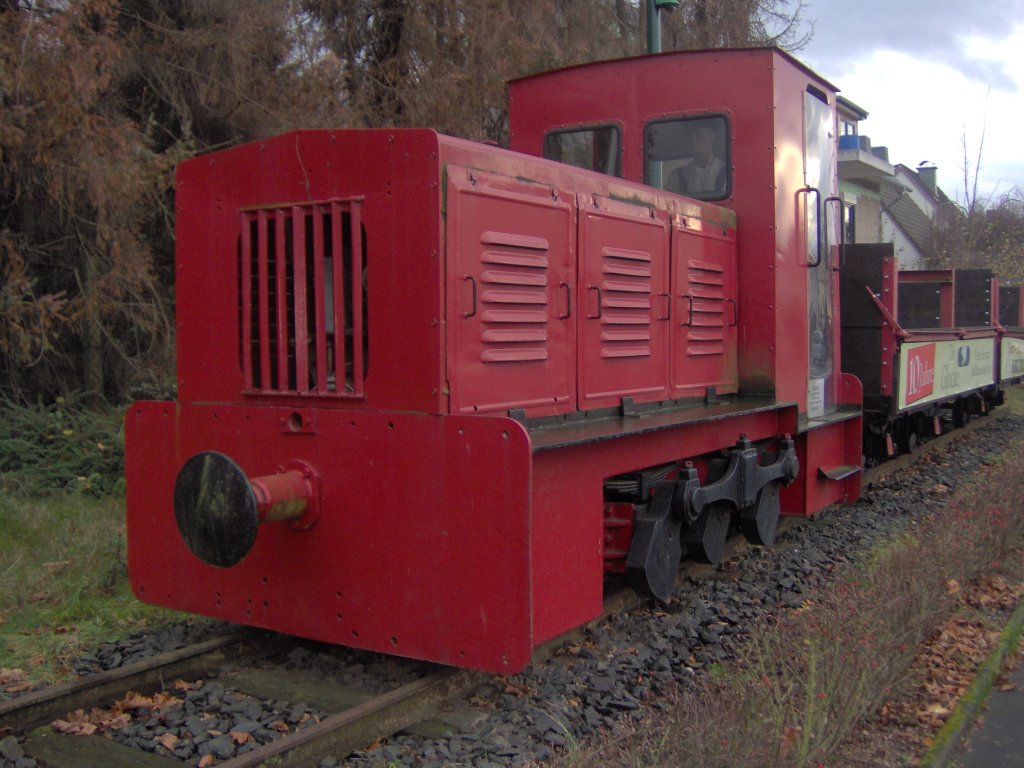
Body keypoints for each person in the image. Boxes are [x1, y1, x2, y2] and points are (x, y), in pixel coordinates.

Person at [667, 124, 726, 198]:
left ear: (712, 135)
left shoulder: (727, 173)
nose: (693, 139)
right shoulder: (677, 176)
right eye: (689, 135)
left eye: (699, 134)